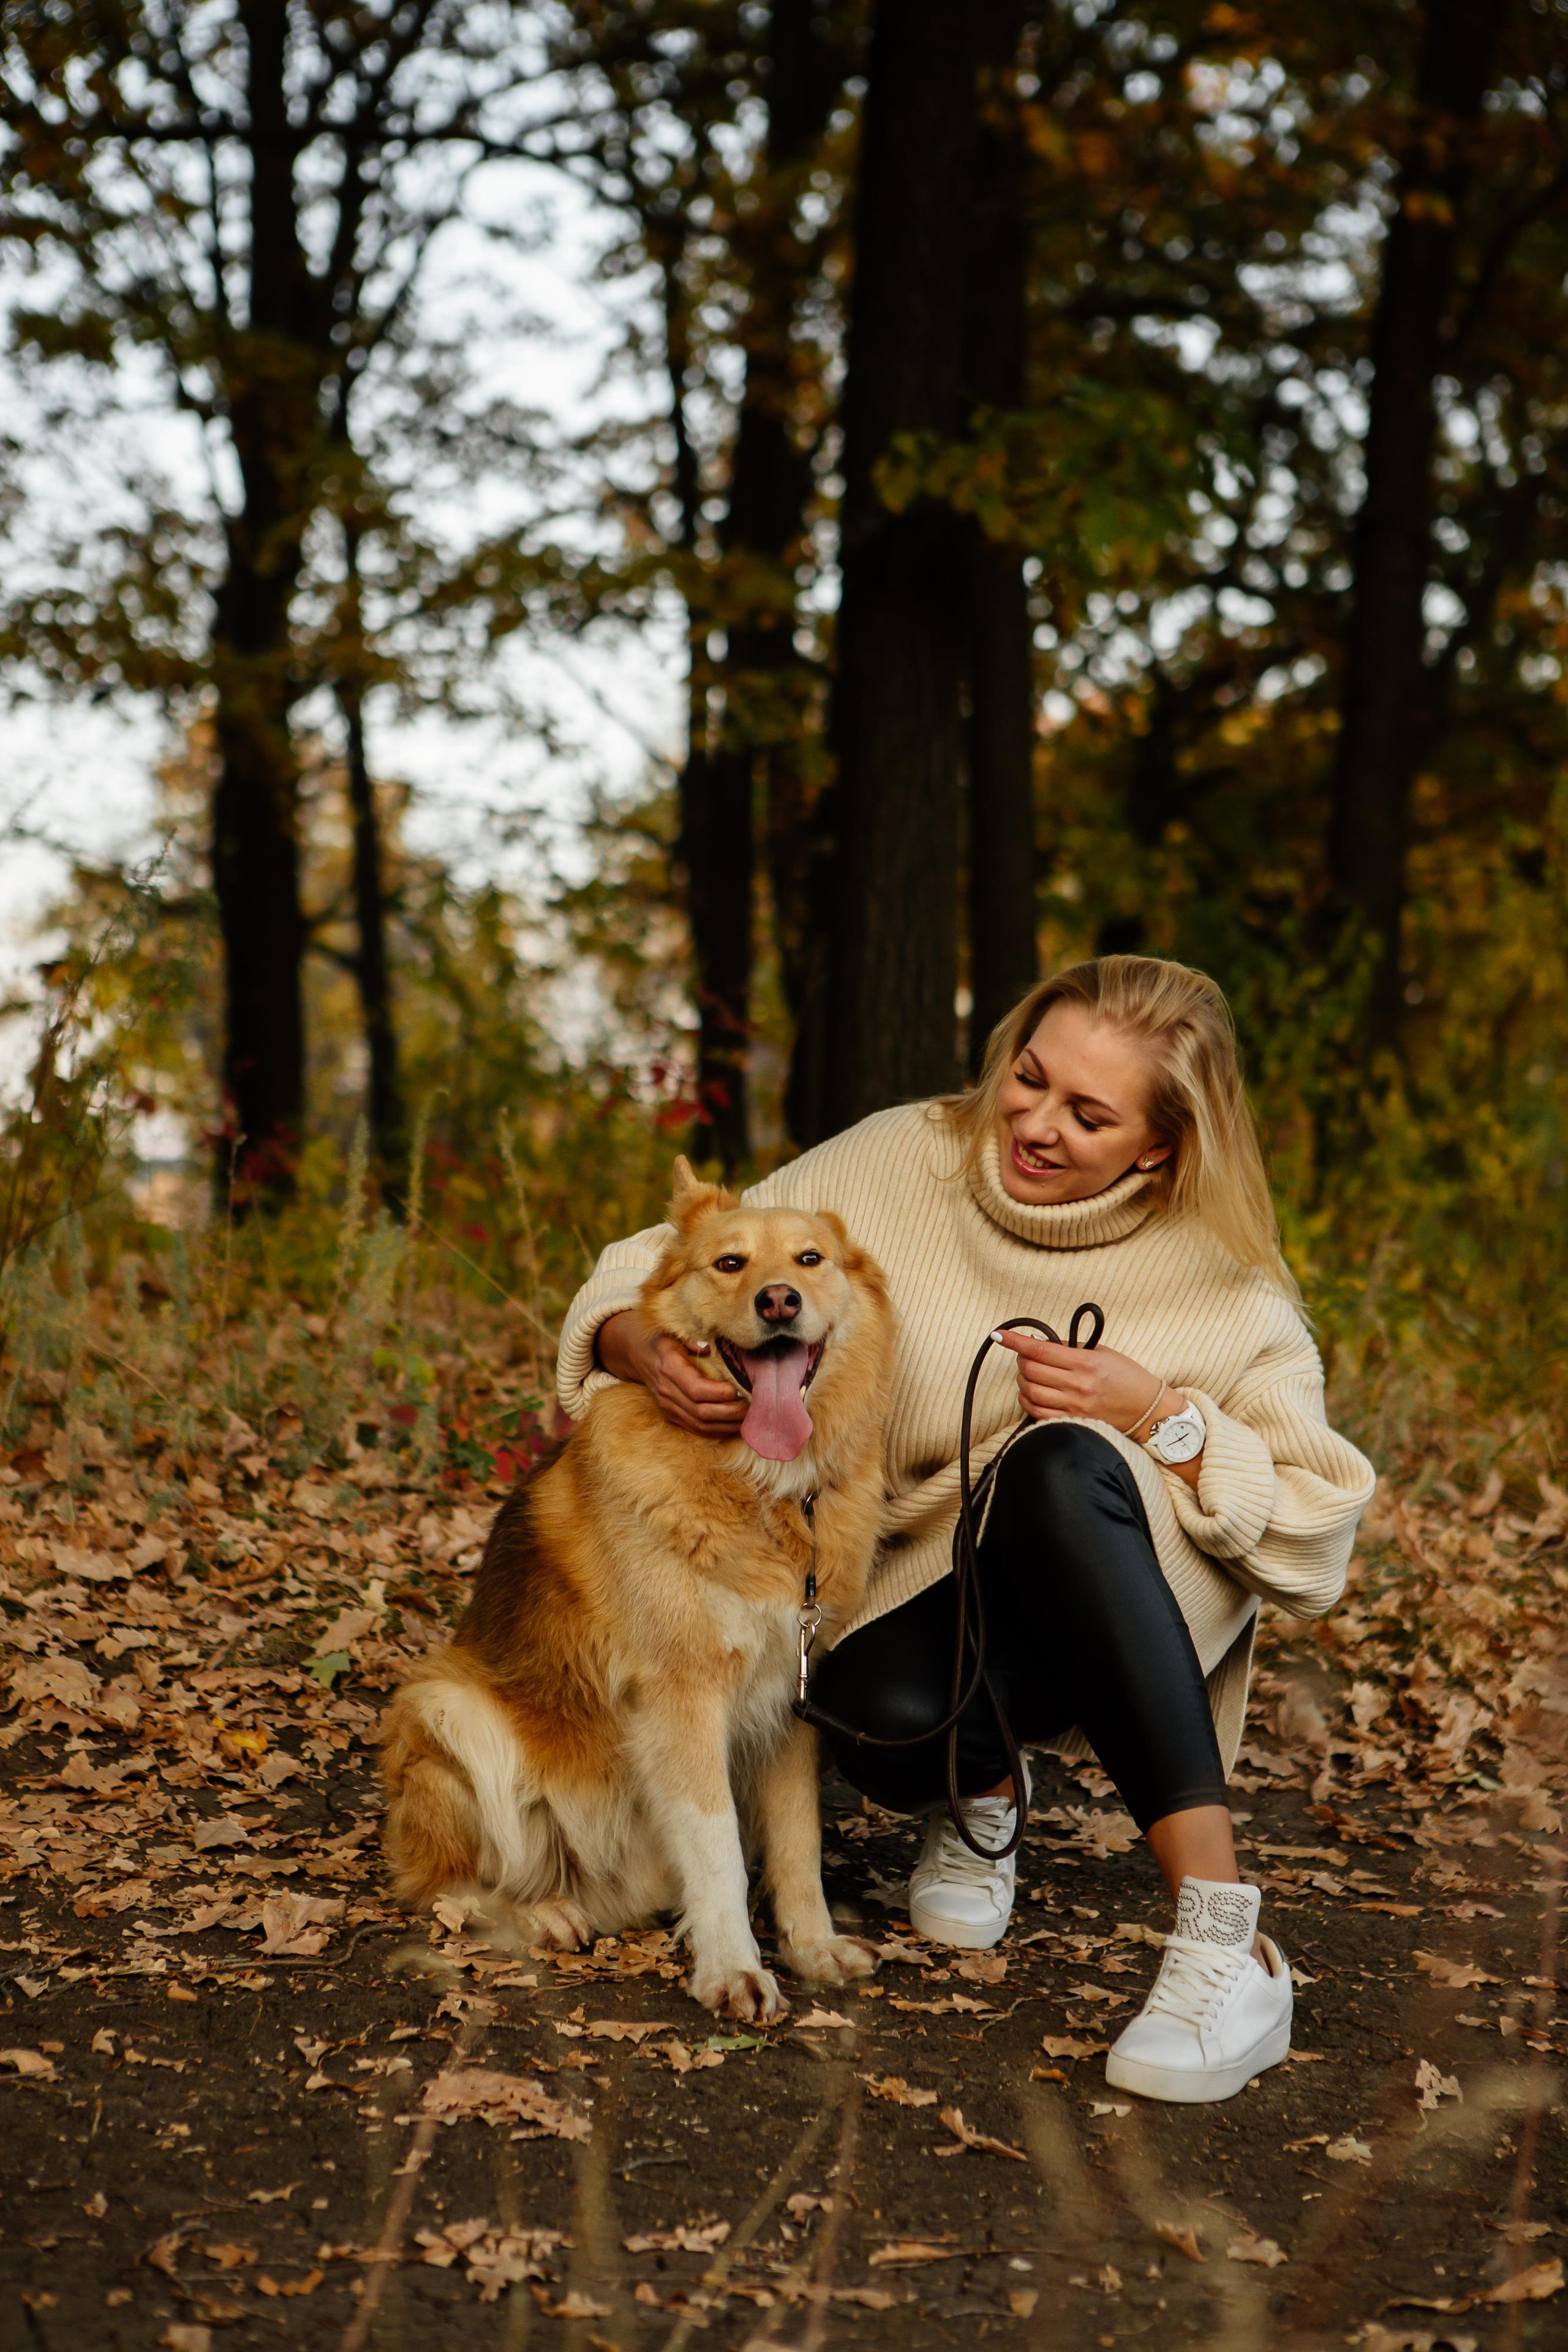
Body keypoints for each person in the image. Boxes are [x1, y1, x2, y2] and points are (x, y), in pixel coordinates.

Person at [556, 956, 1375, 2103]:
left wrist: (1161, 1416)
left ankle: (1225, 1942)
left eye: (1088, 1115)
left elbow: (1318, 1532)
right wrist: (627, 1345)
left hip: (1122, 1577)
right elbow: (675, 1253)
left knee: (1055, 1465)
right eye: (1029, 1080)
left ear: (1158, 1147)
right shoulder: (908, 1156)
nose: (1034, 1125)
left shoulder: (1224, 1277)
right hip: (939, 1577)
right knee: (872, 1716)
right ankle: (983, 1795)